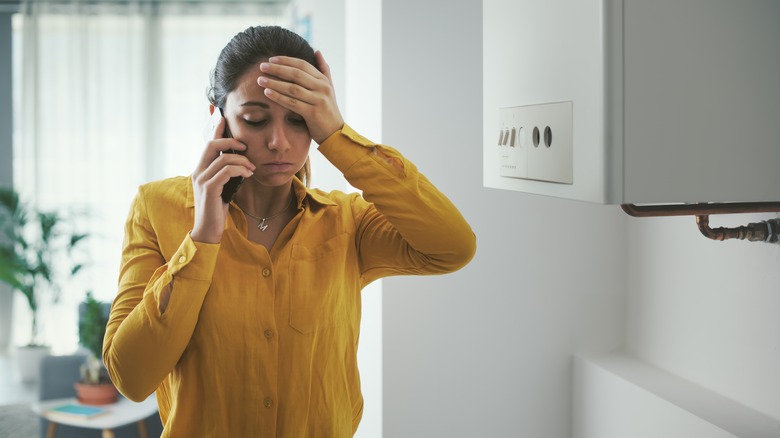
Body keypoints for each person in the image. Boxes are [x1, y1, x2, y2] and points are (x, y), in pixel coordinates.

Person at [103, 25, 475, 437]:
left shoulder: (347, 221)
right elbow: (131, 377)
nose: (279, 142)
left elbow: (453, 247)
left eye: (299, 120)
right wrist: (202, 238)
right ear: (218, 120)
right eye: (255, 120)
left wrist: (338, 136)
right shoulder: (156, 208)